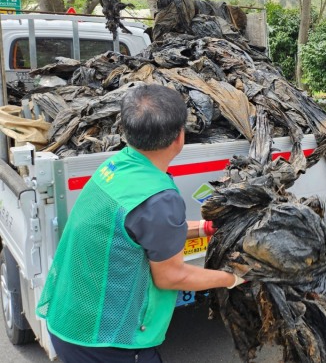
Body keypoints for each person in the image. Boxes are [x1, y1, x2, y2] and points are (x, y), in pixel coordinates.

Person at [36, 85, 244, 363]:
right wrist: (235, 278)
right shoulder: (158, 199)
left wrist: (205, 228)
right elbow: (172, 276)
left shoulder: (115, 166)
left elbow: (141, 232)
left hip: (70, 318)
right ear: (180, 137)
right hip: (106, 341)